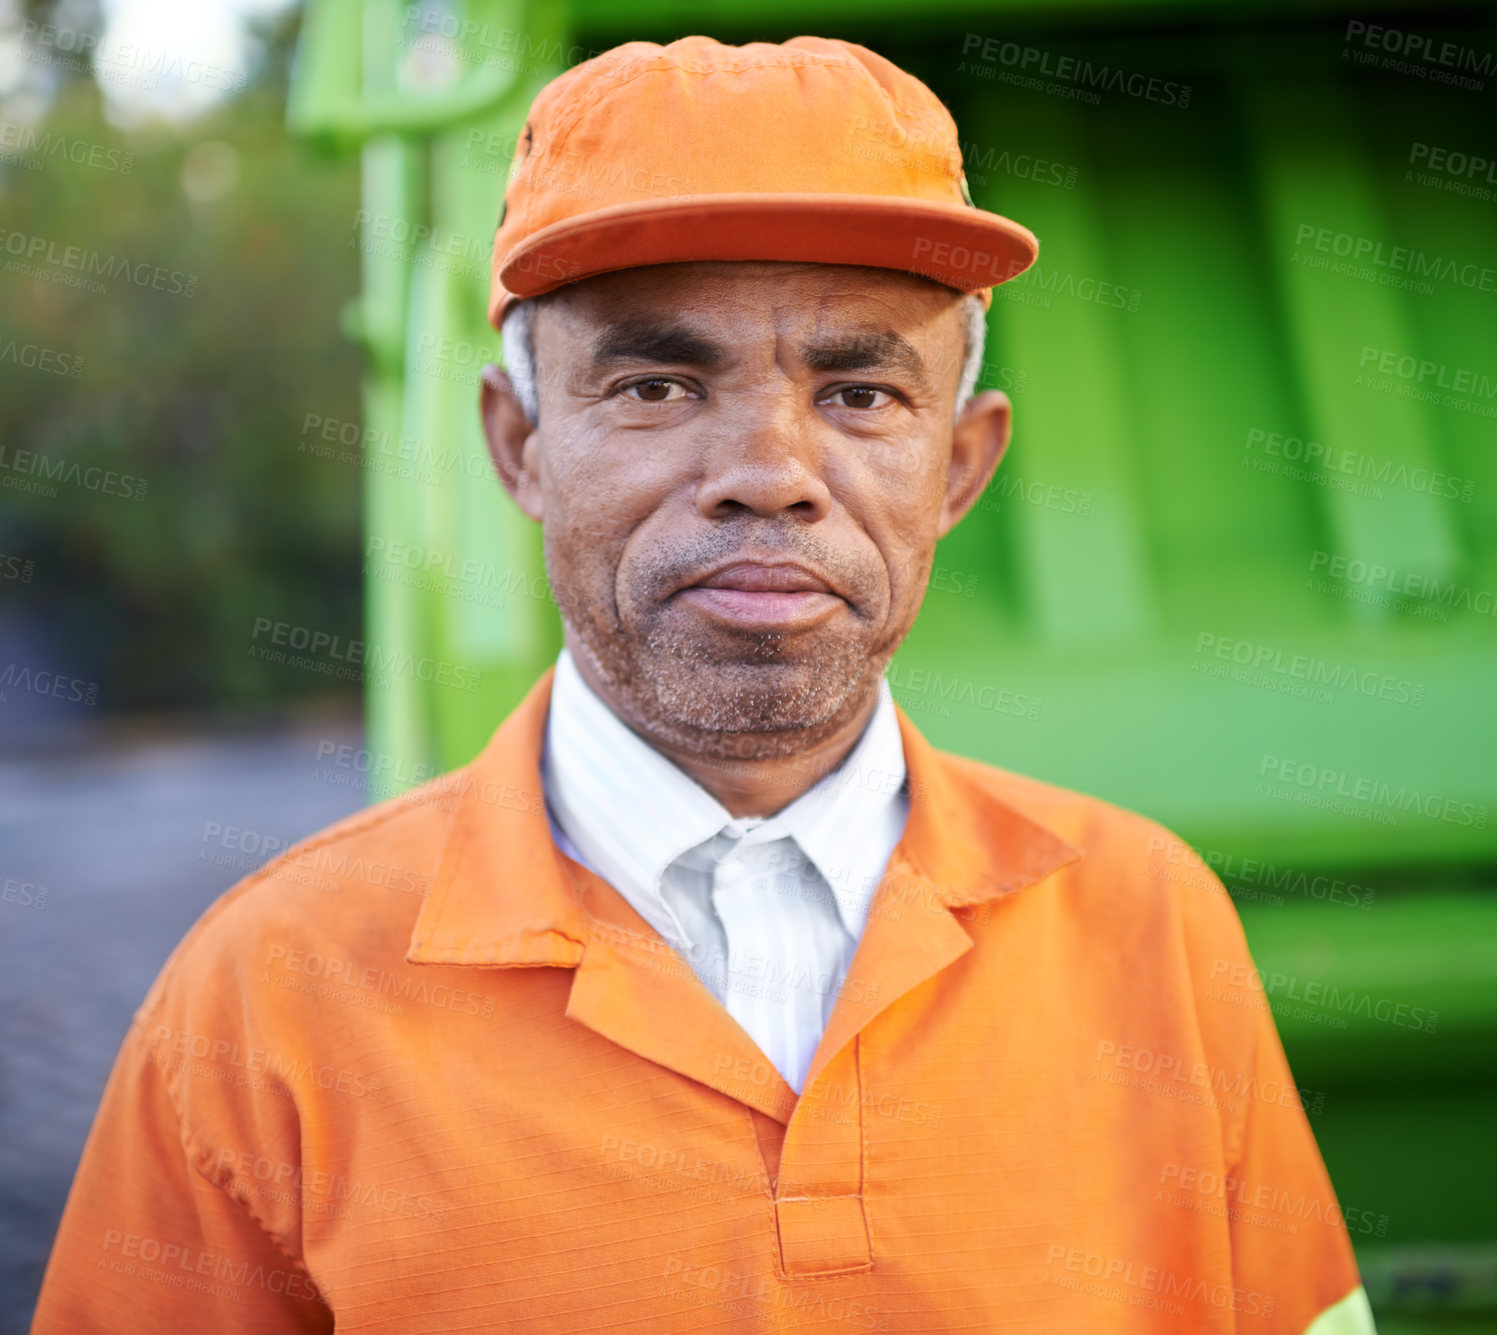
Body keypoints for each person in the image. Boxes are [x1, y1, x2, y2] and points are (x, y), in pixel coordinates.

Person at [32, 35, 1375, 1334]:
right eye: (657, 383)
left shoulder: (1148, 927)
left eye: (858, 393)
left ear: (959, 467)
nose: (768, 468)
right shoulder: (271, 991)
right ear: (520, 447)